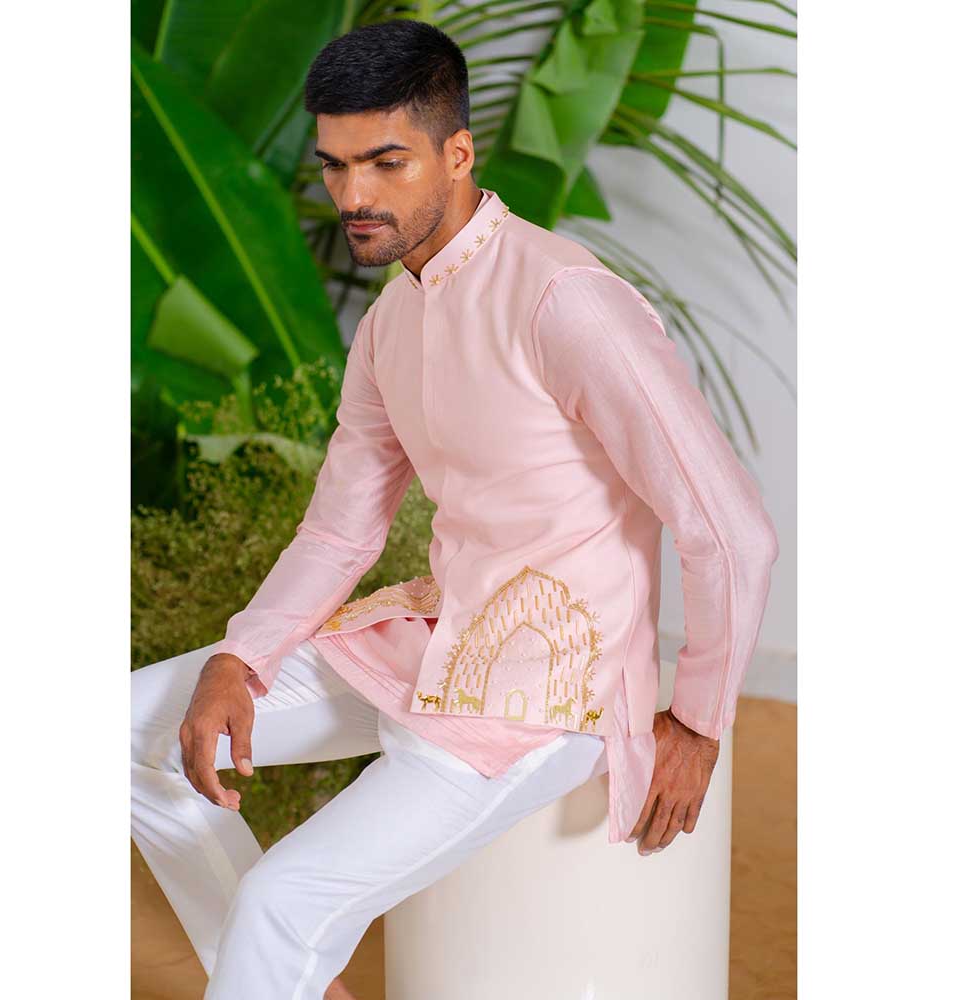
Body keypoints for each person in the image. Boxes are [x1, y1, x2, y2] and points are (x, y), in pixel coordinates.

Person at [131, 19, 779, 1000]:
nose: (353, 195)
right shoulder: (392, 321)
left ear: (459, 154)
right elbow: (339, 529)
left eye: (385, 162)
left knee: (280, 902)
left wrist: (696, 721)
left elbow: (730, 530)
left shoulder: (565, 302)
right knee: (128, 735)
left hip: (543, 693)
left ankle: (271, 965)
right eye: (335, 164)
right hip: (426, 635)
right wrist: (240, 656)